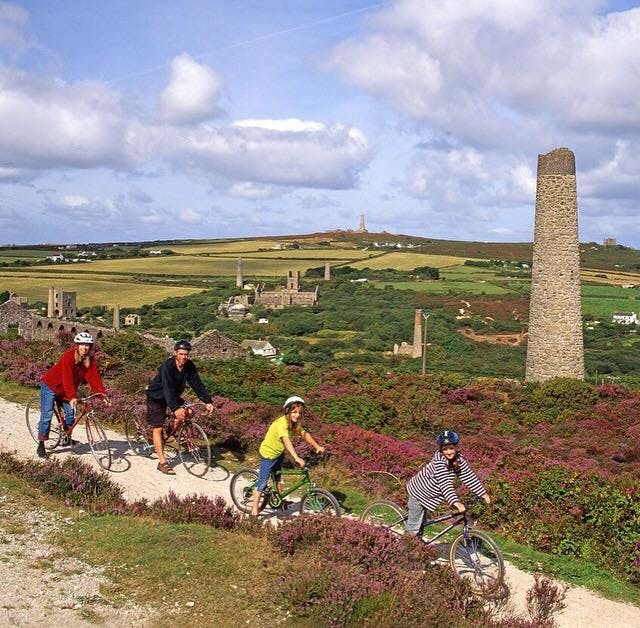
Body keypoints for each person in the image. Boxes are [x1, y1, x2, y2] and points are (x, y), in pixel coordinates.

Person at [145, 339, 214, 475]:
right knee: (158, 427)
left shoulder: (189, 366)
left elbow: (197, 383)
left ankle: (171, 431)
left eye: (186, 354)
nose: (184, 357)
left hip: (172, 395)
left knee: (189, 412)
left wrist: (207, 401)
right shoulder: (167, 366)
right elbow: (167, 388)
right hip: (157, 396)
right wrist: (175, 408)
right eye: (181, 354)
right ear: (175, 353)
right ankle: (162, 462)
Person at [36, 332, 109, 458]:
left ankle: (66, 438)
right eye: (82, 344)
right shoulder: (68, 357)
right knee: (47, 415)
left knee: (71, 416)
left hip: (66, 391)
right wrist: (72, 397)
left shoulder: (89, 360)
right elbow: (67, 378)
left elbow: (95, 378)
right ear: (77, 345)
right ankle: (41, 444)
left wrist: (102, 395)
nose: (84, 347)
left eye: (87, 345)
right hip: (51, 386)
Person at [405, 430, 491, 536]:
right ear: (441, 450)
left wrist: (483, 493)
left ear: (456, 447)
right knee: (413, 529)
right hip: (418, 493)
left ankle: (417, 545)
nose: (449, 452)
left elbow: (469, 476)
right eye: (445, 449)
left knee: (421, 525)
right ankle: (404, 548)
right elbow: (445, 484)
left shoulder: (458, 459)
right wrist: (456, 502)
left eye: (451, 448)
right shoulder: (439, 463)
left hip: (429, 495)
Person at [250, 395, 325, 516]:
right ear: (287, 411)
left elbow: (304, 434)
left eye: (299, 413)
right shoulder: (281, 423)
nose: (297, 415)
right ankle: (254, 510)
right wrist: (296, 458)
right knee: (262, 483)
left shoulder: (294, 423)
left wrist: (317, 447)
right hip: (268, 454)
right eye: (294, 412)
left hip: (278, 453)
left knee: (278, 477)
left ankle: (279, 501)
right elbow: (287, 441)